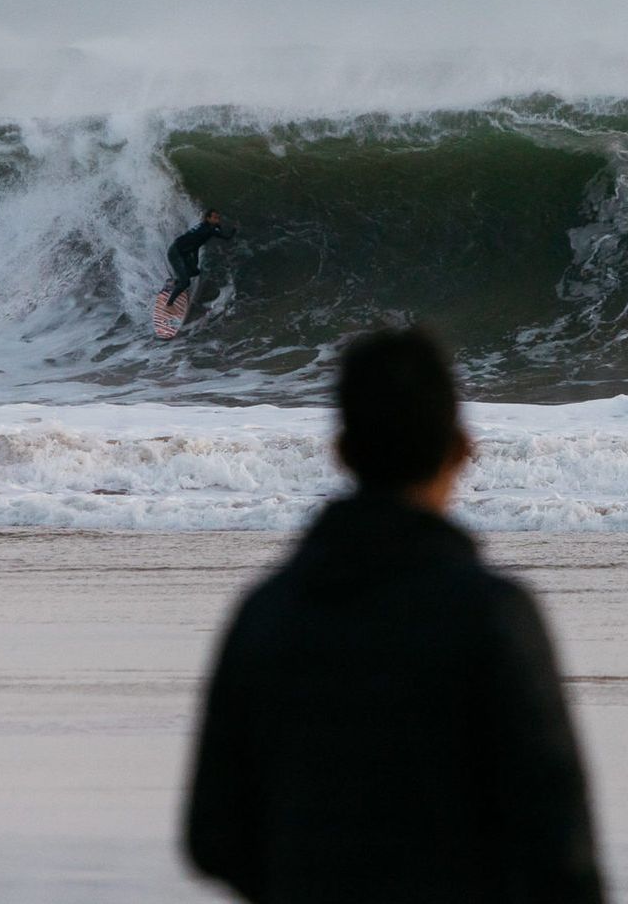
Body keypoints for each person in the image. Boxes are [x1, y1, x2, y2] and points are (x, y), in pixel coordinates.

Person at [183, 327, 605, 904]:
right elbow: (560, 851)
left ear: (341, 451)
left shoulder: (268, 613)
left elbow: (212, 836)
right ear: (462, 448)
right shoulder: (490, 615)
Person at [165, 209, 235, 307]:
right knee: (186, 282)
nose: (217, 220)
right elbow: (226, 237)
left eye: (218, 218)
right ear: (208, 218)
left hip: (184, 251)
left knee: (195, 271)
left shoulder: (206, 226)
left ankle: (175, 282)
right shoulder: (207, 230)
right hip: (175, 252)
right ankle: (168, 305)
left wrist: (195, 259)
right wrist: (234, 229)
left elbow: (196, 244)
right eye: (214, 218)